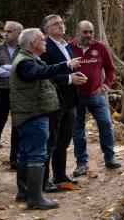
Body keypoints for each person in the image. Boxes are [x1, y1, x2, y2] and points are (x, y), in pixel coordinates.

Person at [10, 28, 80, 209]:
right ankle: (35, 198)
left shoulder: (29, 59)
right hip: (33, 115)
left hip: (33, 114)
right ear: (33, 43)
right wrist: (66, 64)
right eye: (42, 40)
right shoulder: (25, 62)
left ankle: (24, 193)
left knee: (26, 154)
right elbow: (40, 73)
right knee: (36, 155)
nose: (46, 43)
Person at [39, 15, 85, 192]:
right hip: (54, 101)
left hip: (71, 100)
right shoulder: (44, 47)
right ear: (47, 29)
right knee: (50, 140)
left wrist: (78, 77)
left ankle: (60, 175)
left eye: (62, 23)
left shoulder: (66, 45)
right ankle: (43, 180)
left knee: (64, 140)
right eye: (56, 24)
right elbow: (44, 74)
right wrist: (68, 79)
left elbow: (70, 68)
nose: (61, 25)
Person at [70, 21, 120, 177]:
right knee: (77, 130)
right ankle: (82, 163)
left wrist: (105, 86)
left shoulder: (100, 47)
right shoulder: (69, 48)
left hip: (95, 95)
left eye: (91, 32)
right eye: (85, 32)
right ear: (77, 31)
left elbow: (111, 69)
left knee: (106, 124)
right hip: (74, 96)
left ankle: (110, 158)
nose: (89, 35)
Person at [0, 21, 23, 168]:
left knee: (18, 126)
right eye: (5, 31)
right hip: (1, 92)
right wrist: (15, 70)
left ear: (18, 34)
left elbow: (25, 69)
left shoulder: (24, 49)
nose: (5, 34)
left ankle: (15, 157)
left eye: (9, 31)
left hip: (19, 93)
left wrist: (6, 68)